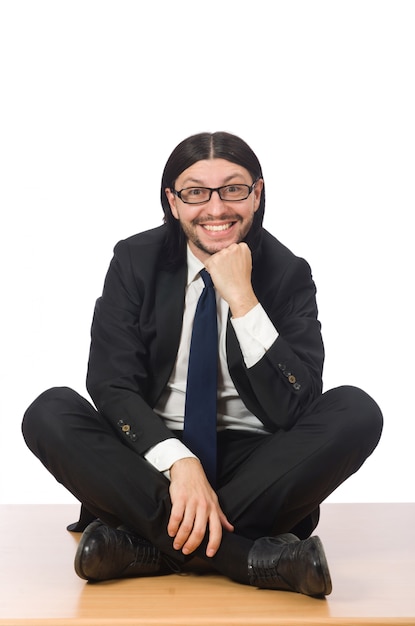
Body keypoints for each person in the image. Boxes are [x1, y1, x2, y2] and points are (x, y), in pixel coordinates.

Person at [22, 131, 383, 598]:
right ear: (173, 202)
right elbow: (112, 386)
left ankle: (143, 545)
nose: (216, 208)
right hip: (151, 458)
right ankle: (253, 557)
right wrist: (180, 463)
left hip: (255, 467)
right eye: (196, 192)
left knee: (357, 410)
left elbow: (297, 404)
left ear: (257, 194)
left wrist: (243, 299)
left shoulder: (289, 272)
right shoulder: (134, 260)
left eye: (233, 189)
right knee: (50, 411)